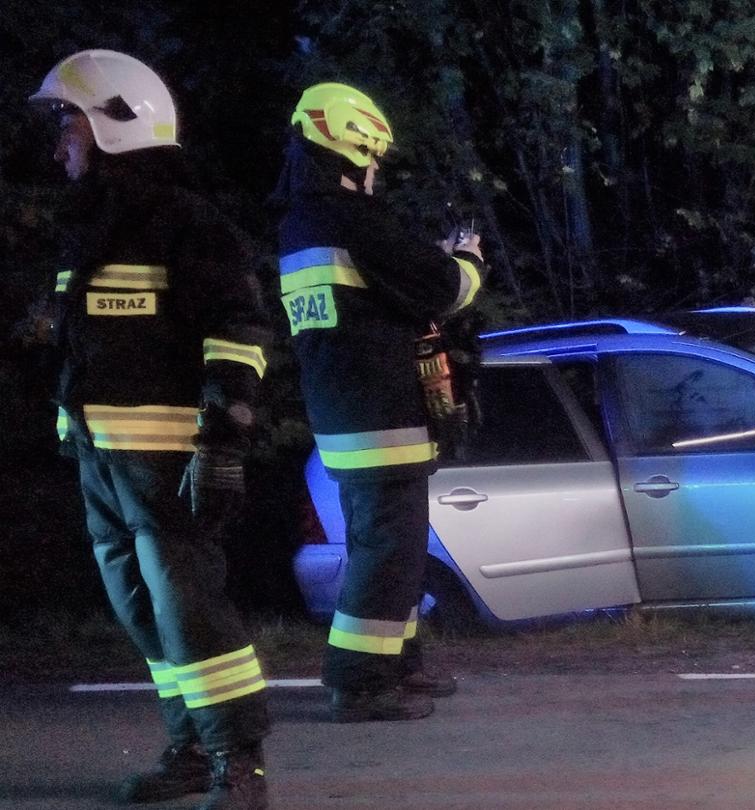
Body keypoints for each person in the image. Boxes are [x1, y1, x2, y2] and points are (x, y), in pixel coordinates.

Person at [30, 50, 273, 810]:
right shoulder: (91, 226)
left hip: (168, 455)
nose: (58, 137)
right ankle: (195, 750)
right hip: (101, 454)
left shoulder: (186, 223)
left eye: (66, 118)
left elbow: (238, 329)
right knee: (143, 609)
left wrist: (222, 440)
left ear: (113, 122)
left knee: (188, 610)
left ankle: (243, 767)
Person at [271, 82, 484, 722]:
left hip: (343, 415)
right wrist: (468, 259)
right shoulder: (352, 221)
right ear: (353, 148)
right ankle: (360, 683)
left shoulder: (299, 225)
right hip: (380, 417)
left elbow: (369, 301)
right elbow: (442, 288)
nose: (374, 172)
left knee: (390, 553)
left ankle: (400, 665)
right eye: (374, 159)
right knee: (388, 555)